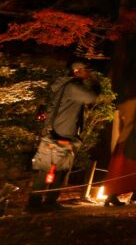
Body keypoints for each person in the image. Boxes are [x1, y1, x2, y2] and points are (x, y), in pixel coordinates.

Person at [28, 62, 100, 213]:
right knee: (48, 170)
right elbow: (90, 97)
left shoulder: (68, 85)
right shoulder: (72, 87)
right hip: (61, 132)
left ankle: (47, 201)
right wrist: (94, 82)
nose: (89, 73)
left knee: (58, 169)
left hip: (61, 131)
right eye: (87, 70)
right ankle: (35, 204)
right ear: (77, 71)